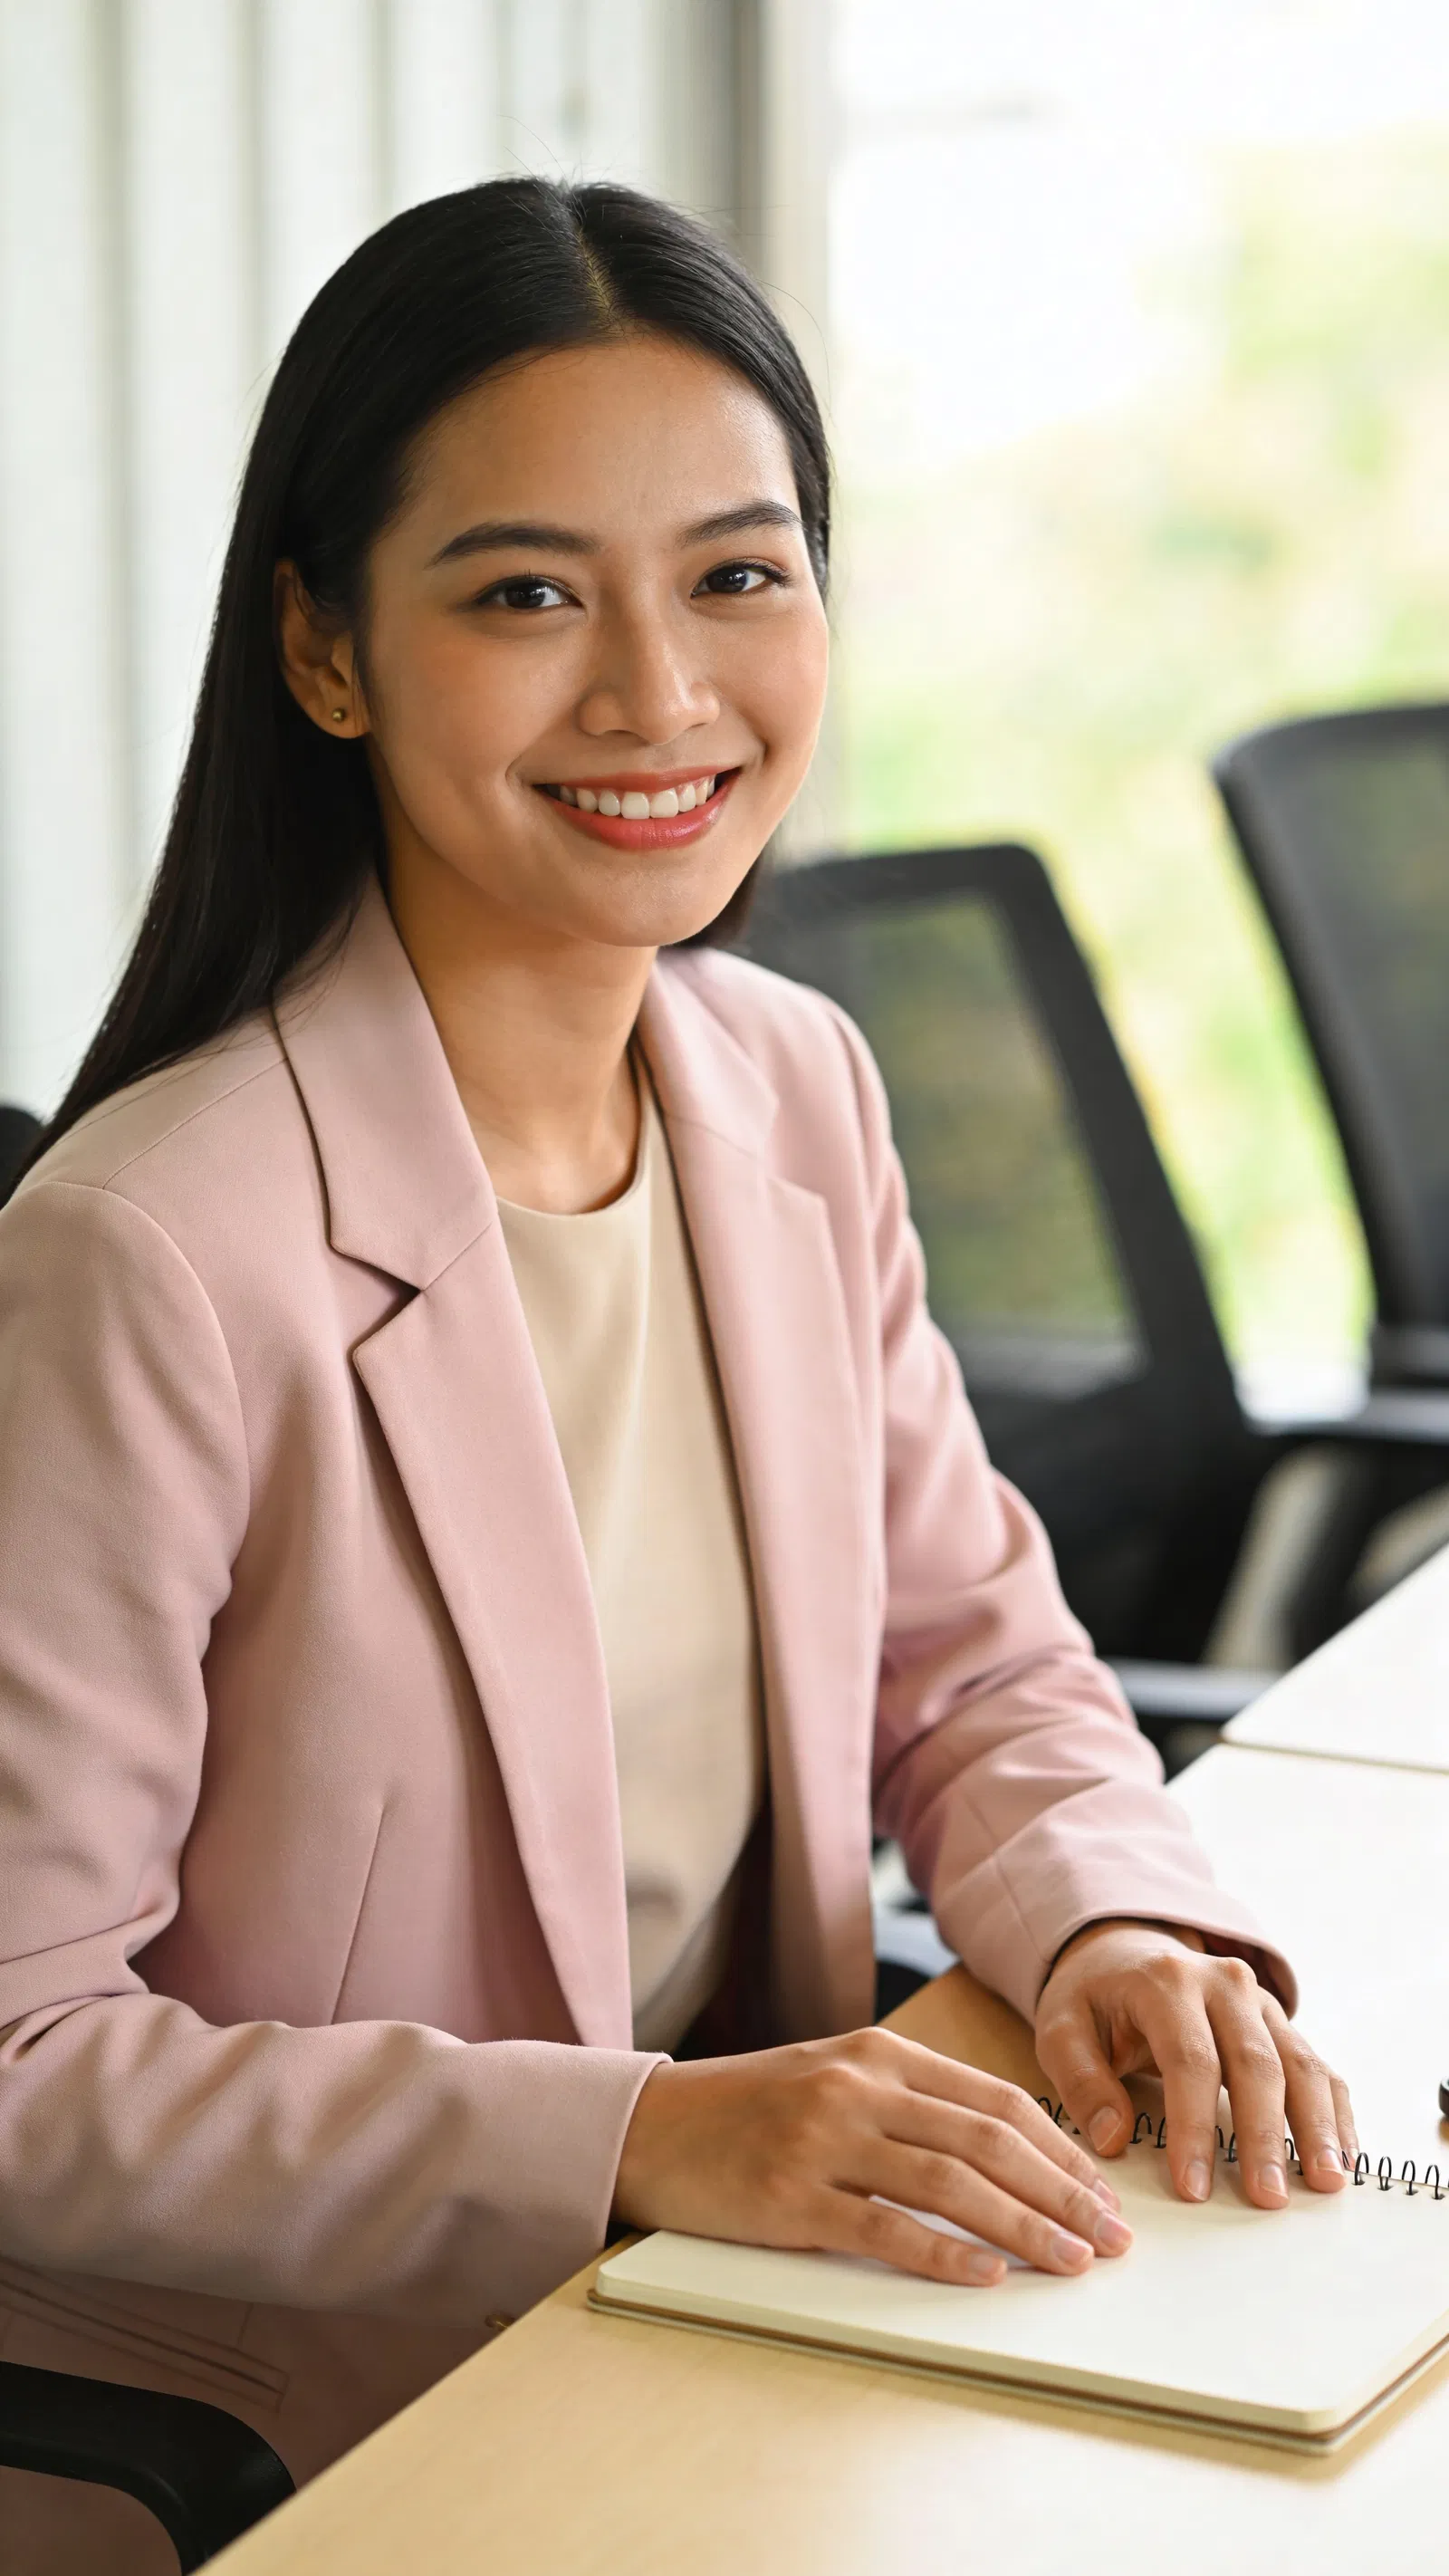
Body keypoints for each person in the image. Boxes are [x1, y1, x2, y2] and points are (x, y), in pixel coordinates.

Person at [0, 178, 1353, 2551]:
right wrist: (640, 2133)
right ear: (326, 651)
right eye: (527, 594)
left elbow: (970, 1661)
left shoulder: (790, 1088)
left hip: (763, 2315)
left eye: (737, 573)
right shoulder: (155, 1252)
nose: (656, 693)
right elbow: (22, 2052)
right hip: (349, 2428)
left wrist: (1110, 1916)